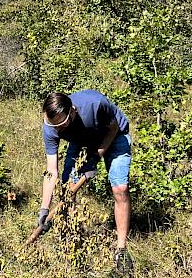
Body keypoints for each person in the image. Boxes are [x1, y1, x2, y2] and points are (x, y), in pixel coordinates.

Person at [37, 90, 133, 273]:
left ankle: (121, 250)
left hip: (114, 135)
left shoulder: (95, 105)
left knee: (120, 189)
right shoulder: (50, 126)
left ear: (72, 111)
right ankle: (73, 241)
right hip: (81, 140)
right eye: (53, 126)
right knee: (68, 190)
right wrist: (44, 209)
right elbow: (51, 171)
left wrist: (95, 158)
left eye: (62, 126)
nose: (57, 130)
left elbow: (113, 129)